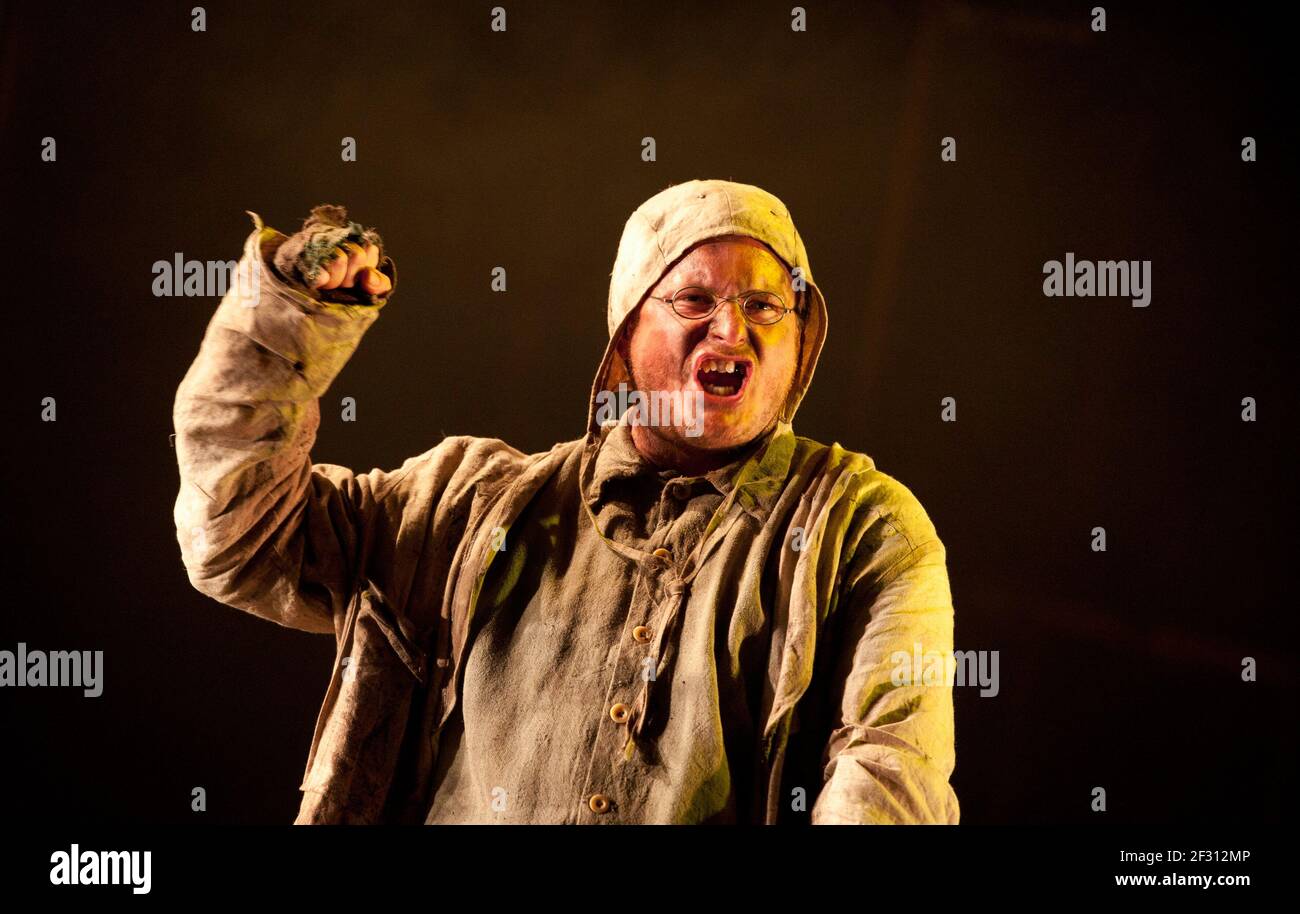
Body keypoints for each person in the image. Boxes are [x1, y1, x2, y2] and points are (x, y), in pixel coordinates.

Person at [172, 178, 960, 824]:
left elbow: (890, 771)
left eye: (764, 306)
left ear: (801, 342)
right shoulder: (461, 506)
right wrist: (286, 321)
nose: (731, 329)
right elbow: (236, 539)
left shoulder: (862, 528)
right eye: (693, 300)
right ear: (624, 332)